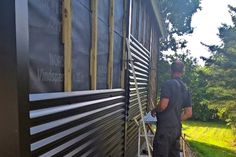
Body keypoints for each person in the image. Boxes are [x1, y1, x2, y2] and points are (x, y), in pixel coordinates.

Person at [151, 60, 192, 157]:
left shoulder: (168, 84)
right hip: (176, 129)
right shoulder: (185, 88)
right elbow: (188, 113)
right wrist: (176, 119)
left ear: (171, 70)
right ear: (183, 72)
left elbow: (163, 105)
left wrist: (154, 110)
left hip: (165, 130)